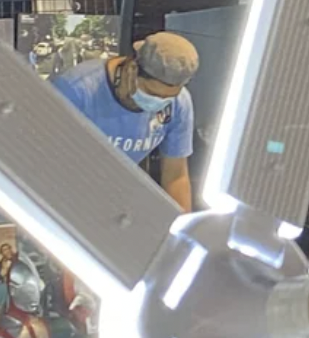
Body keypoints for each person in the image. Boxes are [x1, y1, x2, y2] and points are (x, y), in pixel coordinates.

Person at [51, 32, 198, 212]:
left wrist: (182, 232)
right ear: (132, 68)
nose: (159, 102)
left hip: (118, 199)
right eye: (152, 93)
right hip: (65, 193)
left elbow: (176, 176)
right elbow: (47, 162)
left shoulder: (180, 103)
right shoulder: (75, 90)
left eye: (168, 97)